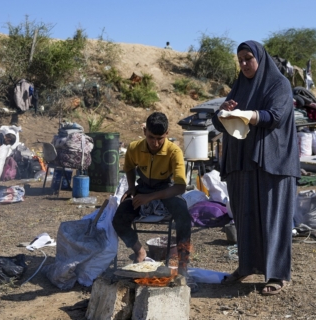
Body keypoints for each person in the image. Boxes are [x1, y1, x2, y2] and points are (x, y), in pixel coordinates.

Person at [212, 41, 300, 296]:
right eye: (240, 60)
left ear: (260, 58)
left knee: (273, 219)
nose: (244, 64)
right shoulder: (240, 86)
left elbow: (275, 117)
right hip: (243, 163)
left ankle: (277, 275)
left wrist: (245, 114)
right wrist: (223, 112)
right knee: (245, 217)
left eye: (248, 58)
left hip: (273, 163)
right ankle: (246, 265)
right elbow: (221, 123)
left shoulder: (279, 84)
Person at [112, 112, 194, 288]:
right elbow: (128, 168)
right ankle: (140, 252)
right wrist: (132, 188)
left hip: (166, 190)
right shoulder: (134, 148)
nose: (155, 143)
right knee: (119, 218)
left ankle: (183, 266)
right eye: (151, 137)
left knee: (184, 217)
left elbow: (180, 187)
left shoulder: (174, 151)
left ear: (167, 133)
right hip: (143, 187)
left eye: (160, 138)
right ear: (144, 131)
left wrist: (150, 197)